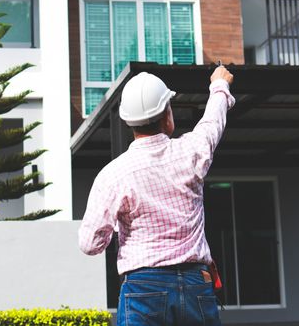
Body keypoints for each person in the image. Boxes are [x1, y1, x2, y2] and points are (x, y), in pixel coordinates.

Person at [78, 66, 235, 326]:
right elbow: (212, 121)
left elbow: (90, 244)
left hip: (143, 289)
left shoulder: (113, 175)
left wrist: (120, 224)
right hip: (197, 284)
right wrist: (219, 84)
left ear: (129, 122)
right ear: (167, 115)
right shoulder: (191, 152)